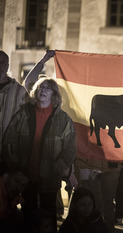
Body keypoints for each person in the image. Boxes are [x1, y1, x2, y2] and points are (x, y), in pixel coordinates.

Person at [2, 77, 76, 231]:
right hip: (25, 177)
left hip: (49, 177)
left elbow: (70, 148)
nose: (43, 90)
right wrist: (16, 167)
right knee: (28, 213)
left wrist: (58, 167)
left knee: (49, 213)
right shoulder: (24, 113)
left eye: (48, 88)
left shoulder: (63, 119)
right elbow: (10, 139)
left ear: (54, 94)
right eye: (41, 87)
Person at [0, 50, 28, 158]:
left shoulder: (20, 92)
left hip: (10, 154)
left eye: (2, 62)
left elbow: (26, 122)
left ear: (7, 66)